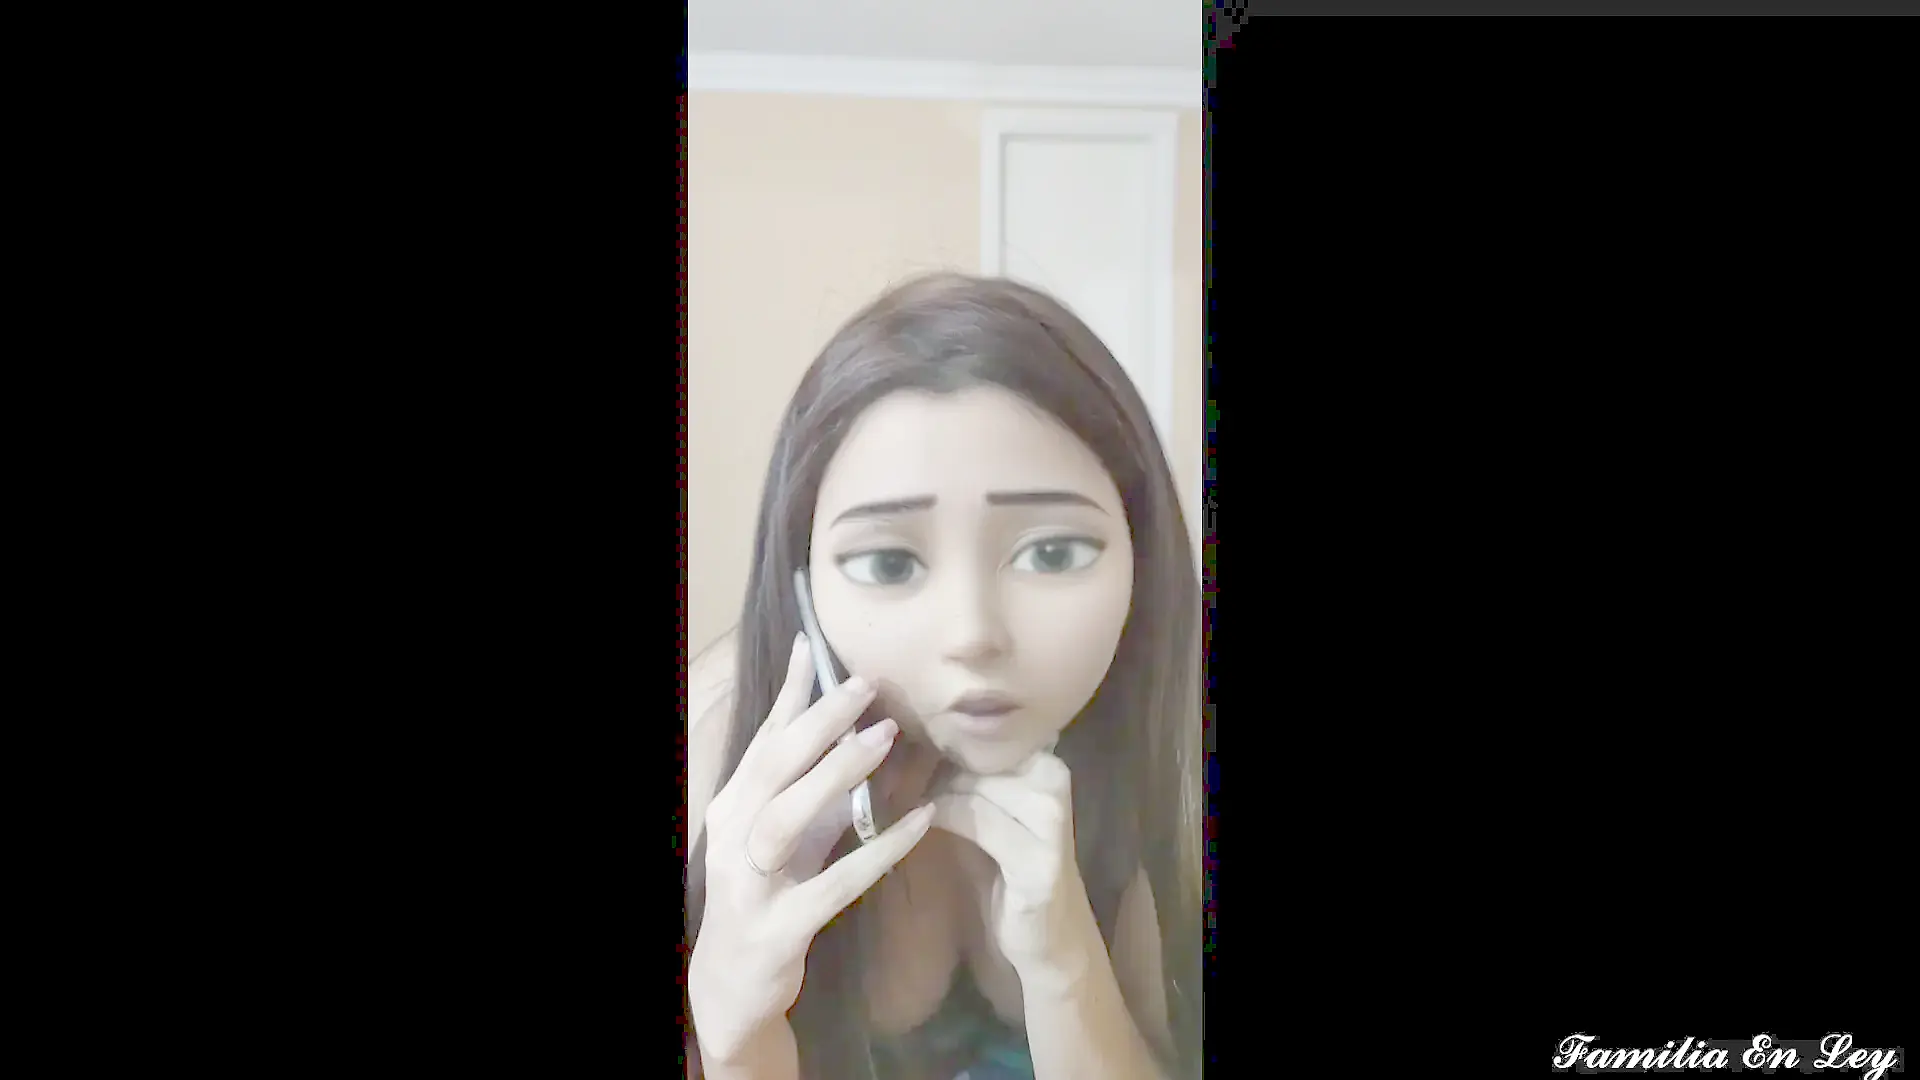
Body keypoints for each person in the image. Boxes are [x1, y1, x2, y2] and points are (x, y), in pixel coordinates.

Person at [685, 273, 1201, 1080]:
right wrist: (736, 1035)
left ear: (1142, 557)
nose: (973, 636)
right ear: (802, 581)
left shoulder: (1151, 748)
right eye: (890, 563)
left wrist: (1066, 971)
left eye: (1052, 553)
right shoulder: (725, 752)